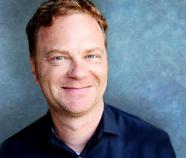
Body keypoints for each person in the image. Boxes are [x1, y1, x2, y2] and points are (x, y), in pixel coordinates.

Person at [0, 0, 176, 157]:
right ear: (34, 68)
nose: (78, 73)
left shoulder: (152, 147)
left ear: (106, 61)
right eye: (59, 58)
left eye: (91, 55)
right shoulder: (9, 153)